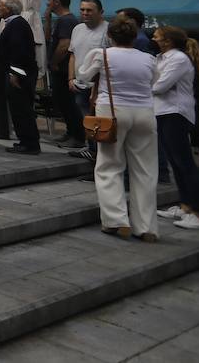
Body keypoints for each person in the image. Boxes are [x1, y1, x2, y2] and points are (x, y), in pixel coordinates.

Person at [76, 15, 159, 241]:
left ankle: (116, 220)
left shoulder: (102, 54)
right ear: (134, 35)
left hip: (112, 110)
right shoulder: (148, 58)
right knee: (145, 170)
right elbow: (154, 82)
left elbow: (83, 75)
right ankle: (147, 227)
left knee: (109, 165)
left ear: (109, 35)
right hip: (144, 111)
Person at [153, 25, 199, 230]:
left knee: (184, 163)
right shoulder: (161, 58)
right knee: (175, 163)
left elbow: (160, 86)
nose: (153, 38)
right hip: (162, 112)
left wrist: (142, 86)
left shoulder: (178, 59)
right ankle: (186, 206)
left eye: (157, 36)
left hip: (175, 113)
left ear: (168, 41)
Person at [67, 0, 109, 165]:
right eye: (82, 9)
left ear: (101, 12)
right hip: (79, 83)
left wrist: (96, 87)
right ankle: (92, 149)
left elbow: (109, 60)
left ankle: (101, 153)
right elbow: (73, 55)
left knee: (100, 121)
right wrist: (70, 78)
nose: (85, 13)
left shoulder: (108, 30)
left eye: (89, 10)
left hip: (99, 86)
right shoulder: (77, 29)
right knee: (87, 119)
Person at [0, 0, 41, 155]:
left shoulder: (17, 25)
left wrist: (14, 73)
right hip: (19, 71)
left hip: (20, 74)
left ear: (9, 9)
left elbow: (19, 51)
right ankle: (25, 140)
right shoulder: (15, 24)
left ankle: (29, 143)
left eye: (0, 5)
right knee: (18, 108)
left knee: (21, 108)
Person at [45, 0, 83, 149]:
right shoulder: (61, 20)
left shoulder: (67, 21)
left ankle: (78, 136)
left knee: (68, 103)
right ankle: (70, 131)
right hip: (60, 69)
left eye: (49, 0)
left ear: (57, 2)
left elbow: (64, 44)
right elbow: (48, 38)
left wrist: (54, 62)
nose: (47, 3)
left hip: (63, 69)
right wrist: (47, 19)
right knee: (62, 102)